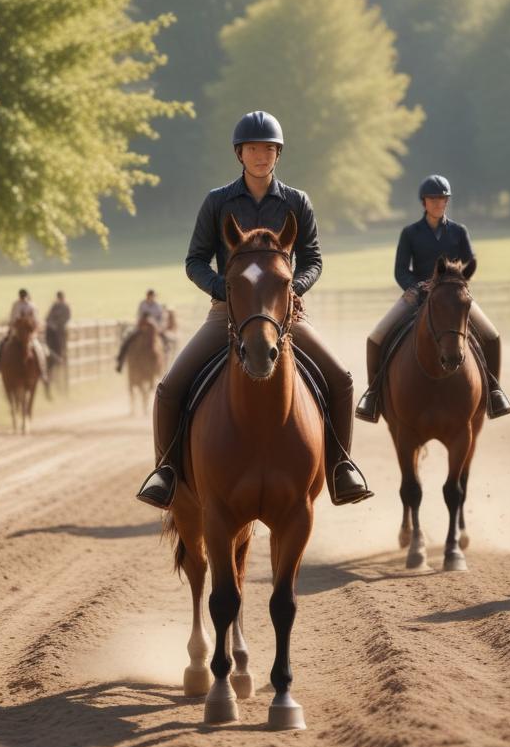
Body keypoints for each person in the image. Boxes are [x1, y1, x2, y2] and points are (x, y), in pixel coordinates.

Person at [136, 110, 372, 510]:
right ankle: (167, 473)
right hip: (228, 314)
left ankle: (340, 468)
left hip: (285, 315)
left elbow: (313, 260)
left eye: (268, 149)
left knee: (343, 380)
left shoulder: (297, 202)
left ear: (278, 153)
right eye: (252, 149)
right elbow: (195, 261)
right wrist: (224, 291)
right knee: (169, 388)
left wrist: (293, 289)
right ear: (239, 154)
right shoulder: (217, 202)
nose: (261, 156)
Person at [354, 174, 510, 424]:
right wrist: (416, 287)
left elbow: (469, 263)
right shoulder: (410, 233)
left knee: (492, 336)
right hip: (417, 295)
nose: (439, 203)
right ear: (424, 202)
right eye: (434, 199)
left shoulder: (459, 232)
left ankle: (494, 391)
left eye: (443, 199)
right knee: (375, 337)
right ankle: (372, 395)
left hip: (452, 297)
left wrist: (457, 284)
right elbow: (400, 270)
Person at [0, 289, 49, 388]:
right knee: (2, 346)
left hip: (30, 336)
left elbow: (35, 322)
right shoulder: (17, 305)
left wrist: (32, 332)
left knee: (39, 350)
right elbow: (12, 320)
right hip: (16, 334)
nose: (23, 299)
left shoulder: (30, 306)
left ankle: (43, 372)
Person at [116, 290, 165, 373]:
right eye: (149, 296)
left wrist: (156, 326)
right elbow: (138, 316)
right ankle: (120, 361)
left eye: (152, 296)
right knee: (128, 339)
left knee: (165, 342)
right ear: (147, 296)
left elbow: (160, 319)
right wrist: (141, 323)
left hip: (154, 329)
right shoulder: (142, 304)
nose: (151, 298)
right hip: (142, 327)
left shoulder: (157, 306)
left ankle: (164, 366)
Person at [46, 291, 71, 363]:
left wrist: (57, 324)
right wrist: (51, 324)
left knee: (62, 345)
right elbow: (49, 317)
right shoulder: (55, 305)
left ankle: (62, 358)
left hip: (60, 329)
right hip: (53, 328)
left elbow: (66, 318)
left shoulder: (65, 306)